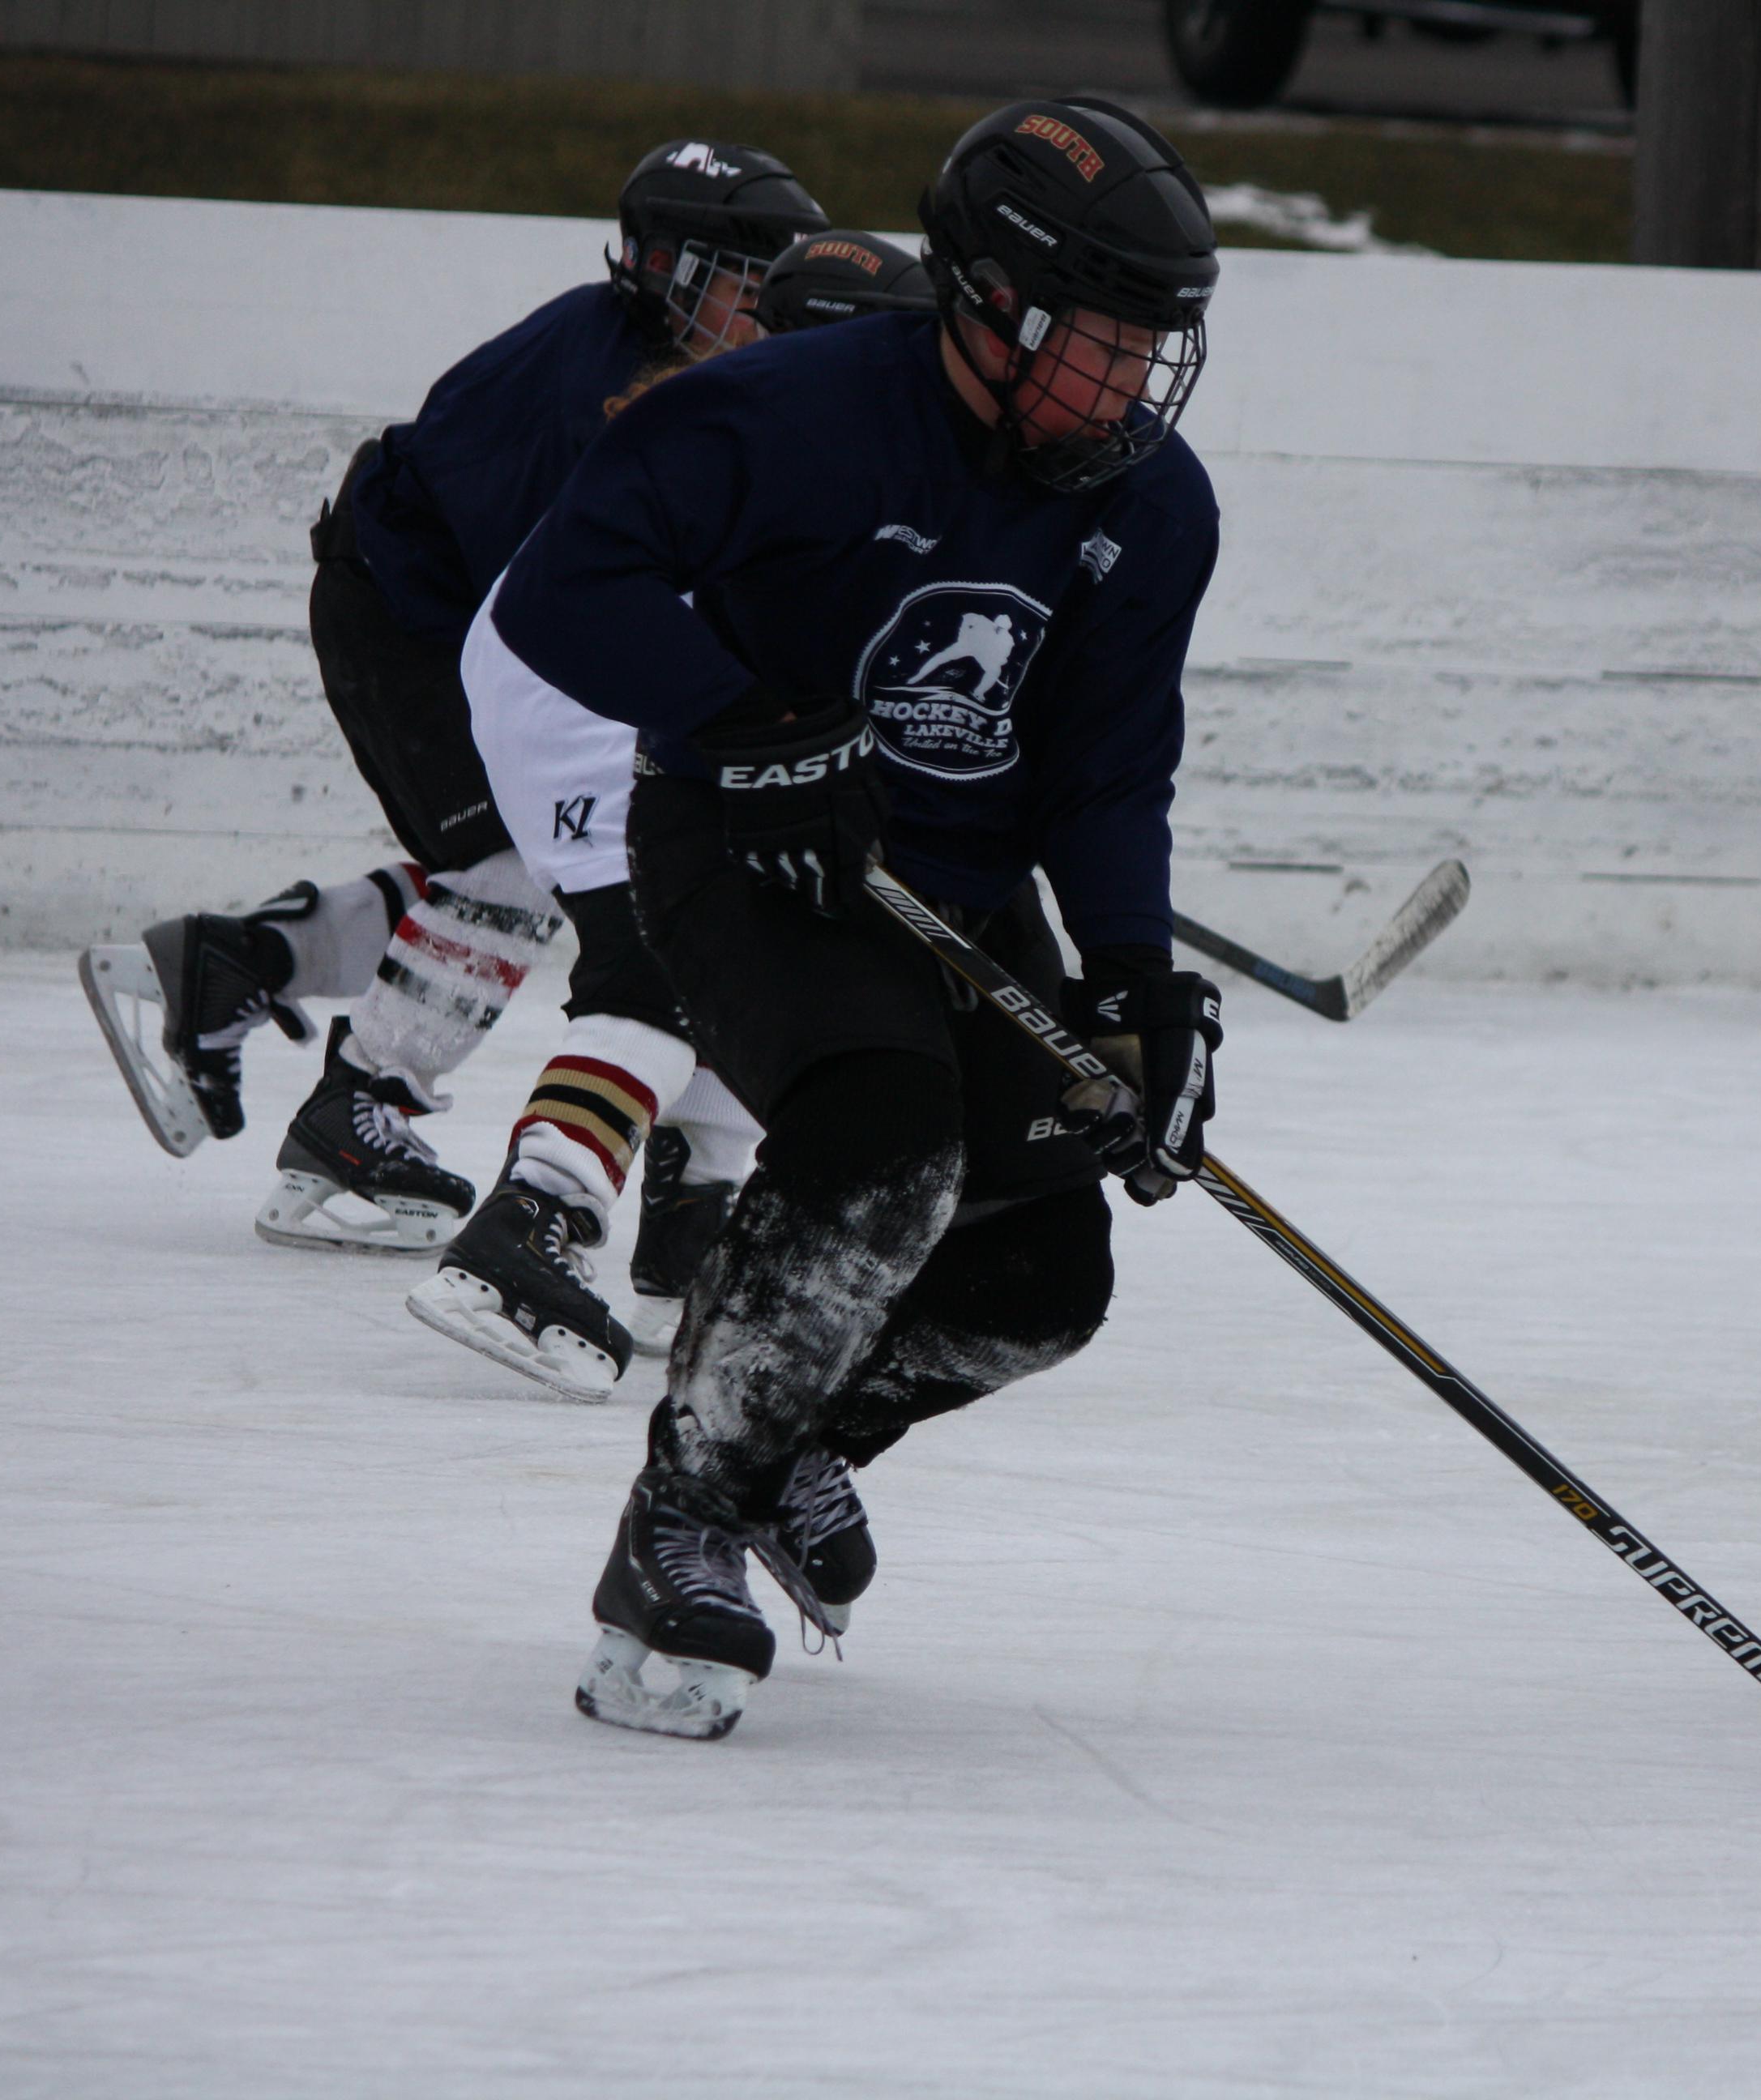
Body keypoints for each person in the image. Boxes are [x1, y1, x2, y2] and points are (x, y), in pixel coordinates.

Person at [485, 99, 1226, 1740]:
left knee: (1042, 1274)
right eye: (1106, 344)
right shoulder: (783, 415)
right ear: (990, 305)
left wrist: (1136, 990)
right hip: (751, 854)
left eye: (1154, 351)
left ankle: (786, 1444)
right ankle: (681, 1516)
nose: (1135, 389)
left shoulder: (1155, 510)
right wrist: (743, 721)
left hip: (957, 884)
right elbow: (562, 589)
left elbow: (1105, 780)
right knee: (882, 1141)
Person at [78, 141, 829, 1267]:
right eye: (744, 279)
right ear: (670, 268)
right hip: (413, 628)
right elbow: (558, 617)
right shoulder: (598, 394)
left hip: (449, 621)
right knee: (518, 871)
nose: (764, 307)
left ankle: (238, 965)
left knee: (566, 862)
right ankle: (358, 1112)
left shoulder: (651, 360)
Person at [408, 229, 941, 1403]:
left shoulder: (814, 429)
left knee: (767, 937)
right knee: (663, 962)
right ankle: (530, 1223)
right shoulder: (760, 435)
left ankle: (688, 1231)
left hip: (607, 677)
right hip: (578, 687)